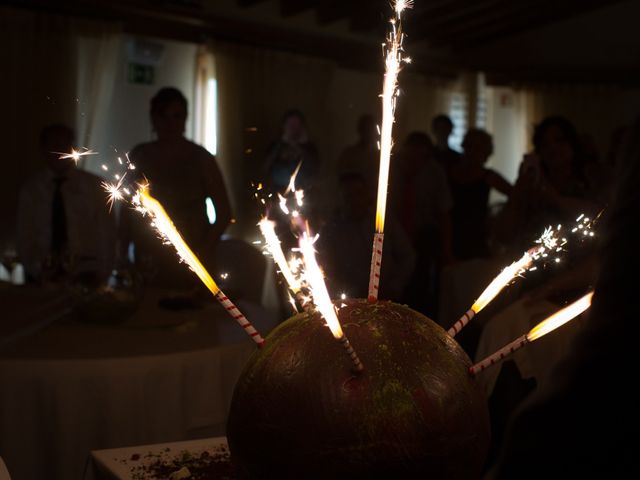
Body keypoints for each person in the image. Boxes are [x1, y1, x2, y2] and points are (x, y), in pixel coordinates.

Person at [127, 87, 231, 287]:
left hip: (193, 250)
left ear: (185, 119)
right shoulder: (140, 155)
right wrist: (121, 251)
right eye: (164, 116)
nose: (170, 123)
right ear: (153, 119)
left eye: (177, 116)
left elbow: (224, 212)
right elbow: (126, 208)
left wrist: (202, 252)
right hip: (148, 253)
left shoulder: (201, 158)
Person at [17, 124, 115, 281]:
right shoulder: (32, 189)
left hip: (86, 272)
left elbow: (107, 234)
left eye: (64, 144)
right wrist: (36, 270)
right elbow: (25, 235)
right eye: (53, 144)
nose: (59, 150)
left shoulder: (94, 186)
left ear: (73, 147)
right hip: (43, 271)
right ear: (43, 149)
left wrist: (103, 273)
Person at [318, 173, 415, 302]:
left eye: (358, 193)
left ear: (367, 194)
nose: (354, 200)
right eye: (348, 195)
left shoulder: (384, 222)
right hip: (350, 301)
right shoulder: (331, 230)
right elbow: (325, 267)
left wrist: (395, 286)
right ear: (340, 197)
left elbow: (407, 255)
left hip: (386, 297)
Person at [390, 131, 454, 317]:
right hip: (393, 233)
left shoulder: (434, 172)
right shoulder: (392, 168)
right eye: (410, 154)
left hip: (422, 235)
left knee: (420, 284)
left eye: (420, 156)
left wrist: (446, 248)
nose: (414, 160)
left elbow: (444, 212)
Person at [448, 129, 512, 260]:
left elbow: (515, 194)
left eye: (478, 149)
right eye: (470, 147)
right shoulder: (449, 172)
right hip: (449, 234)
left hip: (476, 237)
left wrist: (499, 216)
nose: (472, 153)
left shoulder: (488, 176)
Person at [264, 109, 319, 192]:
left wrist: (298, 147)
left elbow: (316, 168)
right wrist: (281, 144)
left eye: (297, 125)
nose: (293, 128)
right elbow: (265, 168)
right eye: (290, 125)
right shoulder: (275, 146)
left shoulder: (309, 147)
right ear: (284, 126)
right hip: (278, 191)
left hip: (303, 192)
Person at [337, 114, 379, 190]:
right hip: (352, 197)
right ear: (360, 130)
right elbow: (341, 178)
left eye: (370, 129)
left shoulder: (378, 156)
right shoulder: (349, 154)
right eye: (365, 129)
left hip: (372, 197)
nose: (368, 133)